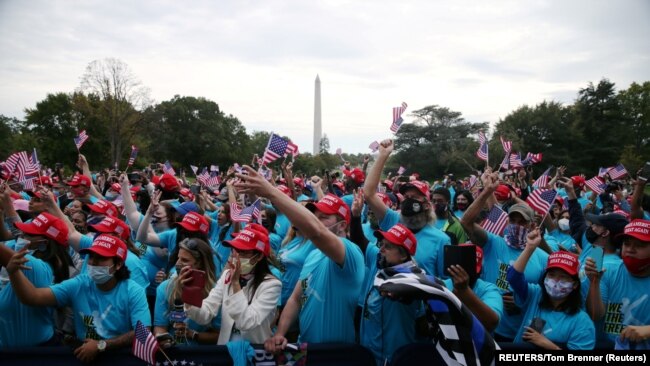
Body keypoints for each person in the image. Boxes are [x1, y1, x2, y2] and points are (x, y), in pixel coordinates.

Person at [231, 166, 363, 351]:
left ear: (342, 226)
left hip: (334, 354)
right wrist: (280, 333)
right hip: (304, 348)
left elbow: (316, 232)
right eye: (314, 216)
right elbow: (295, 298)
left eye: (323, 217)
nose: (315, 221)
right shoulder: (313, 255)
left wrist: (271, 191)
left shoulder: (351, 253)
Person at [7, 234, 150, 363]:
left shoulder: (133, 291)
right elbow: (33, 298)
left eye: (101, 258)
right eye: (91, 257)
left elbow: (143, 332)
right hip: (84, 354)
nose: (93, 263)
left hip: (119, 357)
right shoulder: (79, 283)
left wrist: (102, 345)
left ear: (118, 264)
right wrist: (14, 272)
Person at [460, 171, 549, 342]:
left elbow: (547, 297)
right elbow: (466, 223)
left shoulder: (542, 257)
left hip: (521, 333)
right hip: (488, 327)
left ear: (531, 225)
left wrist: (523, 301)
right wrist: (487, 191)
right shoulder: (493, 243)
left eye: (522, 222)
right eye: (512, 220)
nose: (516, 225)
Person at [364, 139, 450, 278]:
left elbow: (446, 282)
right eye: (406, 197)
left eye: (414, 198)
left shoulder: (441, 240)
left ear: (427, 204)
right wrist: (383, 156)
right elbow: (368, 193)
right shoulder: (393, 220)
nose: (408, 200)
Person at [183, 228, 281, 344]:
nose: (237, 256)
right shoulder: (226, 276)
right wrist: (190, 298)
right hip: (226, 349)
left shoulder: (271, 285)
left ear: (259, 256)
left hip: (254, 352)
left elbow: (247, 322)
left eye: (243, 252)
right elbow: (205, 315)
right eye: (235, 250)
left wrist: (235, 284)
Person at [507, 229, 595, 349]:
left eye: (563, 277)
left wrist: (547, 345)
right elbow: (513, 278)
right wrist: (529, 248)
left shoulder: (582, 322)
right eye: (552, 275)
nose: (556, 282)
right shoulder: (535, 295)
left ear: (575, 284)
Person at [0, 211, 73, 347]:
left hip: (32, 354)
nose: (21, 237)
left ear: (43, 243)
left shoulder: (35, 267)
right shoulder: (48, 266)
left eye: (28, 235)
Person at [359, 223, 425, 365]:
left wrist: (399, 293)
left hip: (395, 359)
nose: (381, 249)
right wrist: (356, 216)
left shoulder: (413, 277)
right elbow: (359, 240)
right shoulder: (382, 268)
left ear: (402, 256)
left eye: (388, 247)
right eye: (381, 244)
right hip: (370, 355)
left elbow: (413, 287)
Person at [586, 219, 650, 347]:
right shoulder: (607, 270)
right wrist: (594, 282)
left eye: (640, 245)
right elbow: (596, 315)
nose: (630, 249)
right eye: (626, 244)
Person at [154, 238, 219, 346]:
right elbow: (160, 327)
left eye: (185, 260)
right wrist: (163, 339)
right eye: (178, 258)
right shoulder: (164, 288)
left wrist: (192, 334)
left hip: (204, 356)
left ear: (200, 264)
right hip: (174, 355)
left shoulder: (216, 291)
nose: (178, 264)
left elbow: (218, 335)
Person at [442, 243, 502, 332]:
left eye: (471, 271)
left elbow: (492, 323)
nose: (466, 276)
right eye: (462, 270)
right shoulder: (441, 286)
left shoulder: (489, 289)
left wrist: (464, 290)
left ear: (481, 270)